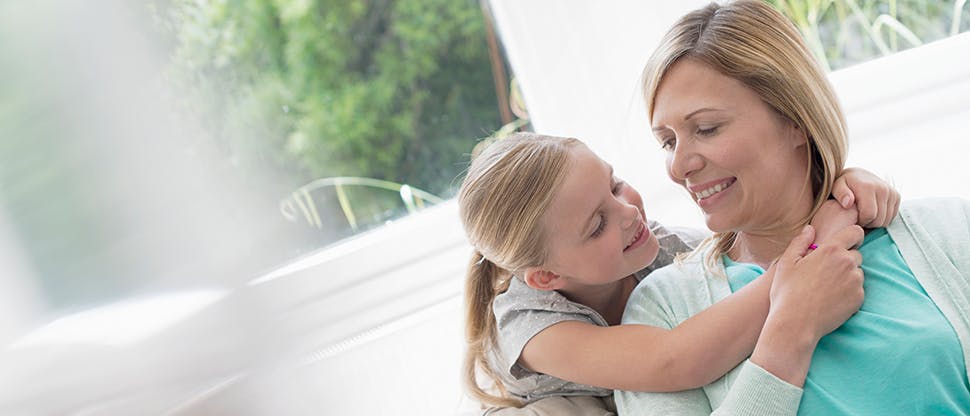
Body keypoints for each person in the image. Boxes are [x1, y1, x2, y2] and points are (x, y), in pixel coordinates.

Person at [616, 1, 970, 415]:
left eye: (706, 129)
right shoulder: (664, 311)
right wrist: (790, 331)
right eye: (668, 141)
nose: (679, 167)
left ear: (794, 119)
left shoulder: (946, 231)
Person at [458, 132, 899, 415]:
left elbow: (757, 246)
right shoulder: (532, 327)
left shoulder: (665, 249)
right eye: (597, 225)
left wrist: (843, 188)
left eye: (614, 186)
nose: (629, 211)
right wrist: (794, 280)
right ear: (546, 277)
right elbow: (672, 360)